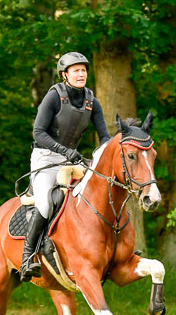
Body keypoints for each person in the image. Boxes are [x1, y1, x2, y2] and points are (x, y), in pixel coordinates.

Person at [19, 51, 110, 281]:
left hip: (72, 161)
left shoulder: (92, 101)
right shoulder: (53, 97)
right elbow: (38, 133)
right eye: (76, 70)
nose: (81, 74)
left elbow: (105, 138)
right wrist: (65, 151)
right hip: (46, 159)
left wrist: (104, 159)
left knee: (99, 195)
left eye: (84, 70)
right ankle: (27, 257)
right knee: (45, 203)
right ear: (64, 75)